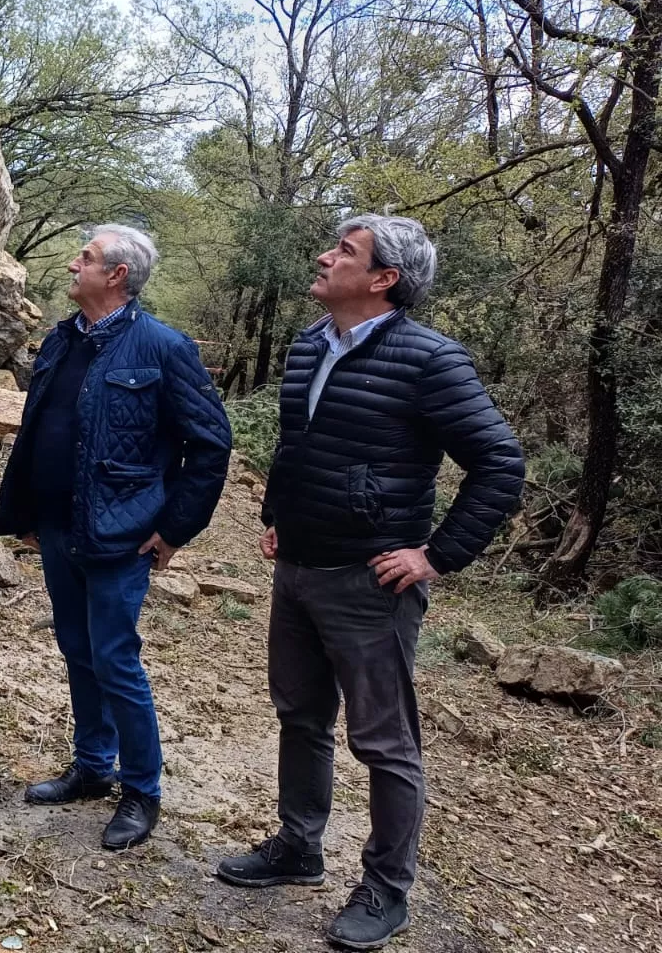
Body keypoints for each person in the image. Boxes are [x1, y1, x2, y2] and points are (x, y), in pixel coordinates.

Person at [215, 215, 525, 950]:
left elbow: (500, 464)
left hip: (370, 584)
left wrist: (436, 555)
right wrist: (276, 512)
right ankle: (298, 847)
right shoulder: (306, 344)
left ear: (384, 279)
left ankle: (388, 889)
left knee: (384, 745)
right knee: (300, 716)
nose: (325, 256)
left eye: (345, 252)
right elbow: (297, 445)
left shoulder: (429, 360)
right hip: (298, 570)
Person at [0, 224, 232, 851]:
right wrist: (29, 515)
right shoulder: (60, 340)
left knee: (115, 659)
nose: (74, 265)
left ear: (117, 275)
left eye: (86, 257)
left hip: (121, 533)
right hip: (57, 527)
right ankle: (92, 766)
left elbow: (210, 446)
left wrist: (175, 528)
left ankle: (141, 790)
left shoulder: (163, 348)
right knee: (76, 647)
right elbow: (39, 431)